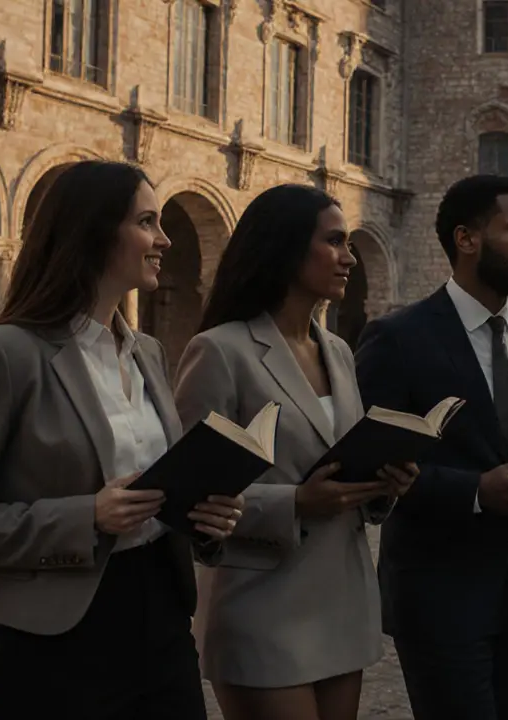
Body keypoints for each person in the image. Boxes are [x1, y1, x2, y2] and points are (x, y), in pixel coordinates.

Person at [0, 159, 245, 720]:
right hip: (54, 643)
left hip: (162, 623)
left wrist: (205, 519)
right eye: (147, 222)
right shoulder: (5, 354)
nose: (164, 239)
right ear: (94, 230)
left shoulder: (149, 353)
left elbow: (156, 498)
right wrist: (86, 515)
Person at [172, 183, 418, 720]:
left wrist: (383, 487)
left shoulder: (339, 352)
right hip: (261, 602)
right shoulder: (219, 351)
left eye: (350, 243)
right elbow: (188, 497)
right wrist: (295, 503)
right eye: (334, 242)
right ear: (285, 246)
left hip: (342, 600)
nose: (349, 257)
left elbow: (342, 469)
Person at [353, 174, 508, 720]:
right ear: (467, 239)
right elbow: (370, 461)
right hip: (439, 598)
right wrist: (475, 492)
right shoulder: (399, 338)